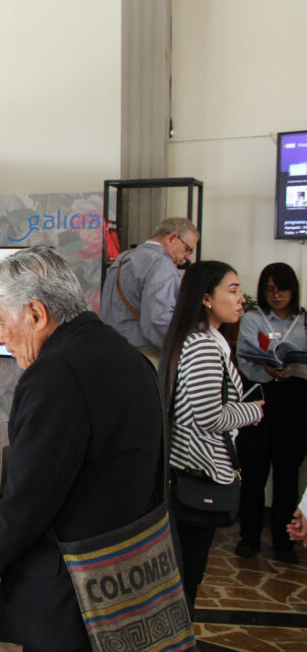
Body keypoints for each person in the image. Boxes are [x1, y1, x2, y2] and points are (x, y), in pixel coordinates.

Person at [0, 246, 162, 649]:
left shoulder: (55, 373)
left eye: (1, 321)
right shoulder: (128, 355)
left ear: (36, 314)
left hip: (73, 595)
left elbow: (29, 499)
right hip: (130, 572)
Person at [160, 261, 263, 611]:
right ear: (206, 298)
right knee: (186, 576)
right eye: (232, 291)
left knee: (187, 574)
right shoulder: (203, 345)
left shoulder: (200, 339)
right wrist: (253, 411)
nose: (241, 298)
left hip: (188, 473)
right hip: (195, 474)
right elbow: (208, 416)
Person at [234, 262, 307, 563]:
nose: (276, 295)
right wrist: (267, 367)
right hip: (261, 395)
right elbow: (243, 356)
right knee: (253, 468)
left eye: (282, 289)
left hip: (296, 399)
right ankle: (249, 538)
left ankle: (284, 541)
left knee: (288, 472)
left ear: (293, 290)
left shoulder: (304, 321)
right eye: (269, 289)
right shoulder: (253, 318)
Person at [100, 216, 200, 364]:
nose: (188, 257)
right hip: (142, 357)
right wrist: (181, 351)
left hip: (110, 351)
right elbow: (159, 321)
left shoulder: (123, 257)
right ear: (172, 238)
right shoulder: (162, 264)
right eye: (188, 249)